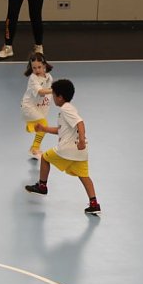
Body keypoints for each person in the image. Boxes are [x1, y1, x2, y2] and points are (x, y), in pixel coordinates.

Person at [25, 79, 101, 215]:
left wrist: (82, 140)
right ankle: (94, 203)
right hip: (80, 153)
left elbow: (80, 122)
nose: (53, 98)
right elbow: (61, 130)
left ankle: (42, 186)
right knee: (84, 176)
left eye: (53, 95)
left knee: (45, 158)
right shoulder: (68, 109)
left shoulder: (66, 109)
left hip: (68, 150)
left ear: (59, 97)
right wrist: (44, 128)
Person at [21, 53, 54, 159]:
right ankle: (34, 148)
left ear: (44, 65)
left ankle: (34, 147)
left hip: (40, 107)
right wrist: (55, 90)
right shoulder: (33, 78)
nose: (37, 70)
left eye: (39, 67)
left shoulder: (49, 77)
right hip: (29, 107)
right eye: (34, 68)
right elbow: (41, 92)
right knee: (43, 125)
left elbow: (48, 91)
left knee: (41, 127)